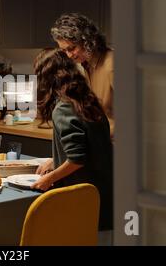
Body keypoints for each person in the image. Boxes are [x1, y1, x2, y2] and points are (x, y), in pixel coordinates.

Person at [31, 48, 113, 231]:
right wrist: (56, 160)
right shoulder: (88, 101)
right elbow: (90, 146)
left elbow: (77, 159)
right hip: (104, 195)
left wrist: (47, 179)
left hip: (83, 198)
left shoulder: (63, 109)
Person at [50, 13, 114, 138]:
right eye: (64, 51)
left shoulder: (112, 64)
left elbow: (134, 115)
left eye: (72, 48)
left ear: (88, 41)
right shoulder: (86, 65)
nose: (69, 55)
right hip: (102, 141)